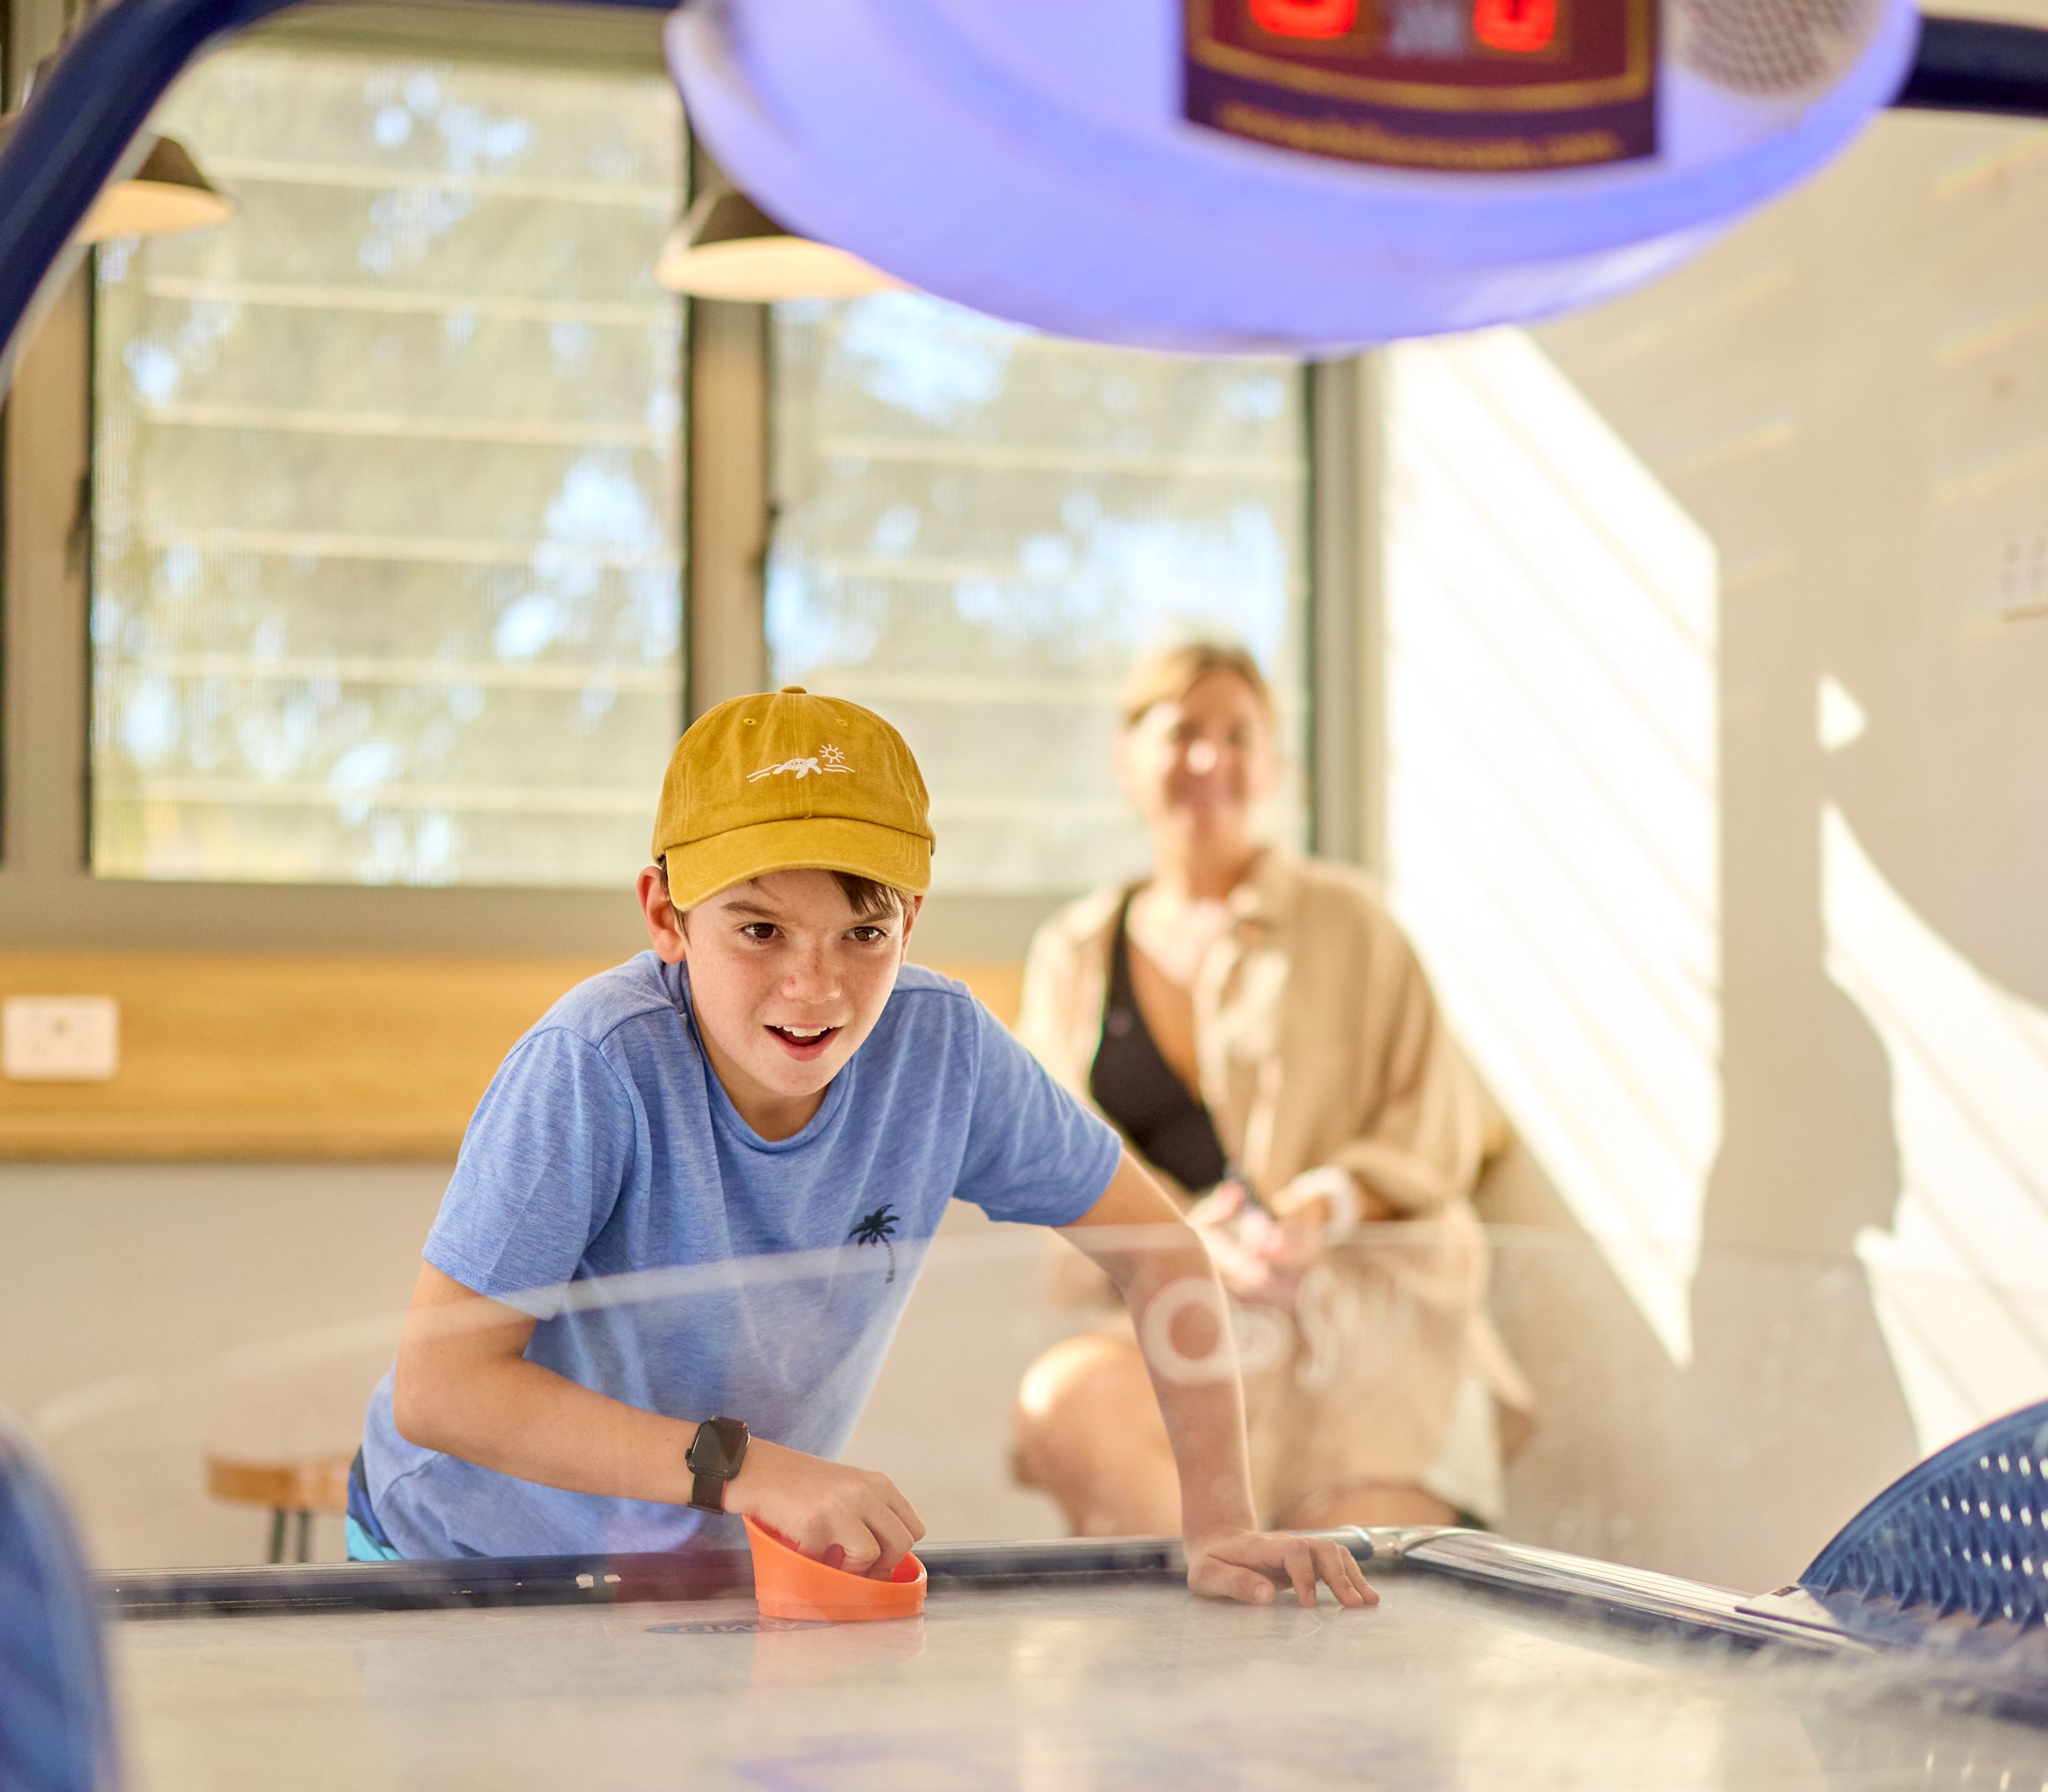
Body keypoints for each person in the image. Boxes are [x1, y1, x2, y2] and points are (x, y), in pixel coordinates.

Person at [349, 685, 1374, 1610]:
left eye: (863, 933)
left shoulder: (946, 1051)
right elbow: (444, 1390)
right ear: (667, 914)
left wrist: (1223, 1520)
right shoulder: (591, 1067)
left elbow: (1162, 1252)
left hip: (695, 1569)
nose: (815, 988)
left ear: (912, 921)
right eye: (759, 932)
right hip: (463, 1560)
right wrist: (753, 1470)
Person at [1009, 641, 1529, 1537]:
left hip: (1365, 1325)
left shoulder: (1354, 922)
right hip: (1186, 1309)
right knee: (1067, 1409)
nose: (1210, 759)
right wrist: (1179, 1240)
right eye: (1182, 732)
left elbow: (1436, 1126)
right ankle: (1201, 1648)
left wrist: (1323, 1206)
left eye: (1238, 735)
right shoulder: (1073, 953)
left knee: (1360, 1587)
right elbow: (1046, 1155)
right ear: (1126, 760)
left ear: (1275, 767)